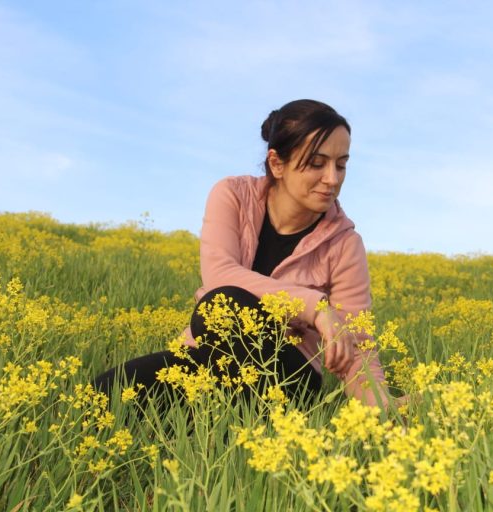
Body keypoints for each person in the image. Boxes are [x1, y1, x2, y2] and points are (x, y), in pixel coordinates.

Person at [94, 99, 390, 409]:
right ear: (277, 164)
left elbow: (357, 344)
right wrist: (317, 309)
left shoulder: (345, 244)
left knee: (227, 304)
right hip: (211, 356)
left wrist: (384, 411)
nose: (332, 178)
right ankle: (223, 424)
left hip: (288, 376)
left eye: (341, 165)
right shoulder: (232, 195)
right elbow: (219, 275)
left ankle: (233, 419)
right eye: (317, 163)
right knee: (106, 393)